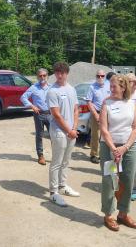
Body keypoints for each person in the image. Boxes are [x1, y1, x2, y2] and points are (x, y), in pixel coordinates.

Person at [99, 74, 136, 231]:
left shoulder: (133, 104)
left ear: (124, 88)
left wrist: (125, 147)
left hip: (129, 148)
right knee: (110, 180)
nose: (111, 89)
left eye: (114, 86)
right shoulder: (106, 103)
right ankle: (108, 214)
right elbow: (104, 128)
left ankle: (123, 213)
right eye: (111, 86)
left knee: (128, 180)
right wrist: (114, 148)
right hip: (109, 148)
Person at [46, 62, 80, 207]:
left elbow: (76, 109)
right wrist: (69, 130)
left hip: (70, 131)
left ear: (67, 73)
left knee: (66, 161)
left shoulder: (71, 89)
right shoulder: (52, 91)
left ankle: (63, 186)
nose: (60, 75)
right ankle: (54, 192)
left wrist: (75, 128)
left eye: (62, 72)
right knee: (57, 162)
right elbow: (57, 115)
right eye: (57, 72)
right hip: (59, 131)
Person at [20, 68, 51, 165]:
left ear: (47, 76)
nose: (42, 77)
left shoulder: (52, 87)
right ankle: (40, 155)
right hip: (39, 114)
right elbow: (23, 97)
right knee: (39, 135)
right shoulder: (34, 87)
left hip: (51, 114)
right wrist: (32, 106)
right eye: (40, 75)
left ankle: (57, 156)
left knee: (54, 135)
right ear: (37, 77)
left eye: (44, 75)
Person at [86, 70, 111, 164]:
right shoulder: (92, 87)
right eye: (98, 76)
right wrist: (96, 115)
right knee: (95, 135)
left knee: (106, 135)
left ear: (105, 76)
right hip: (96, 112)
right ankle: (94, 154)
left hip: (108, 113)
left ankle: (103, 154)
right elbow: (89, 101)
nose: (100, 77)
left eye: (102, 76)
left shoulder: (109, 85)